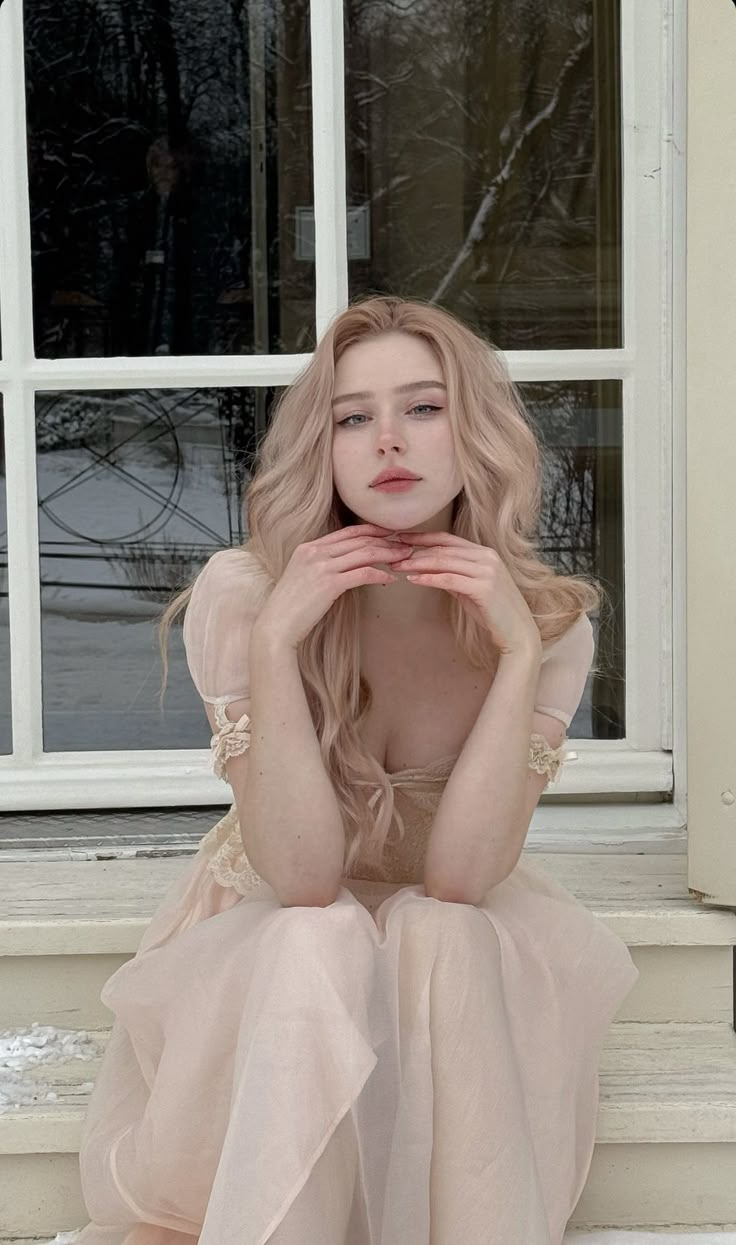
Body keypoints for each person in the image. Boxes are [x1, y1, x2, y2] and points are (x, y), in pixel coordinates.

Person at [74, 296, 639, 1245]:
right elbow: (300, 878)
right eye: (351, 416)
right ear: (323, 448)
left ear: (475, 434)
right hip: (272, 957)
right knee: (317, 936)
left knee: (443, 928)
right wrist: (280, 642)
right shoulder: (248, 593)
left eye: (423, 408)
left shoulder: (544, 624)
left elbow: (461, 877)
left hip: (446, 967)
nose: (388, 442)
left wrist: (509, 658)